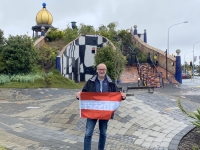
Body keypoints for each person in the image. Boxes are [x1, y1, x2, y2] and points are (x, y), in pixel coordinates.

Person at [76, 63, 126, 150]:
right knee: (88, 133)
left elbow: (117, 94)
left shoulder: (111, 82)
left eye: (103, 69)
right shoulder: (91, 81)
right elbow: (84, 93)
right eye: (100, 69)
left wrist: (123, 96)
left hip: (105, 112)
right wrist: (78, 95)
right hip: (92, 112)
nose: (101, 71)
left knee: (103, 133)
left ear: (106, 71)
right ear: (97, 70)